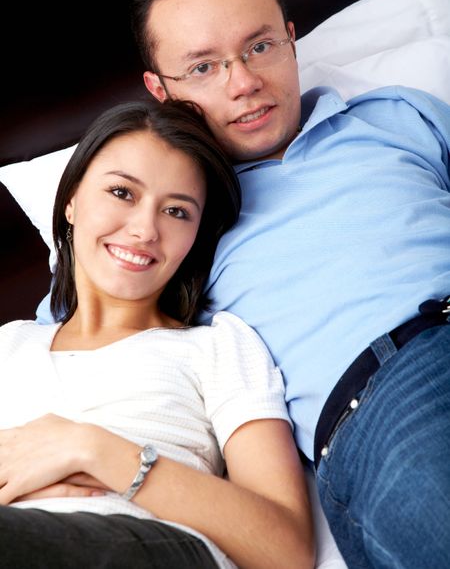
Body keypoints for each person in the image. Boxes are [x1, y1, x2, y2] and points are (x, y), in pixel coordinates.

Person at [128, 0, 450, 568]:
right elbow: (73, 335)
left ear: (291, 38)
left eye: (260, 46)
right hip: (390, 392)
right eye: (203, 67)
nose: (245, 82)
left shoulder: (397, 115)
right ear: (160, 91)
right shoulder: (173, 216)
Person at [0, 98, 314, 568]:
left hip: (150, 546)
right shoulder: (9, 344)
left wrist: (90, 449)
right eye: (122, 193)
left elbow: (286, 548)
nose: (146, 229)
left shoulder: (217, 345)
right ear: (70, 201)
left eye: (177, 212)